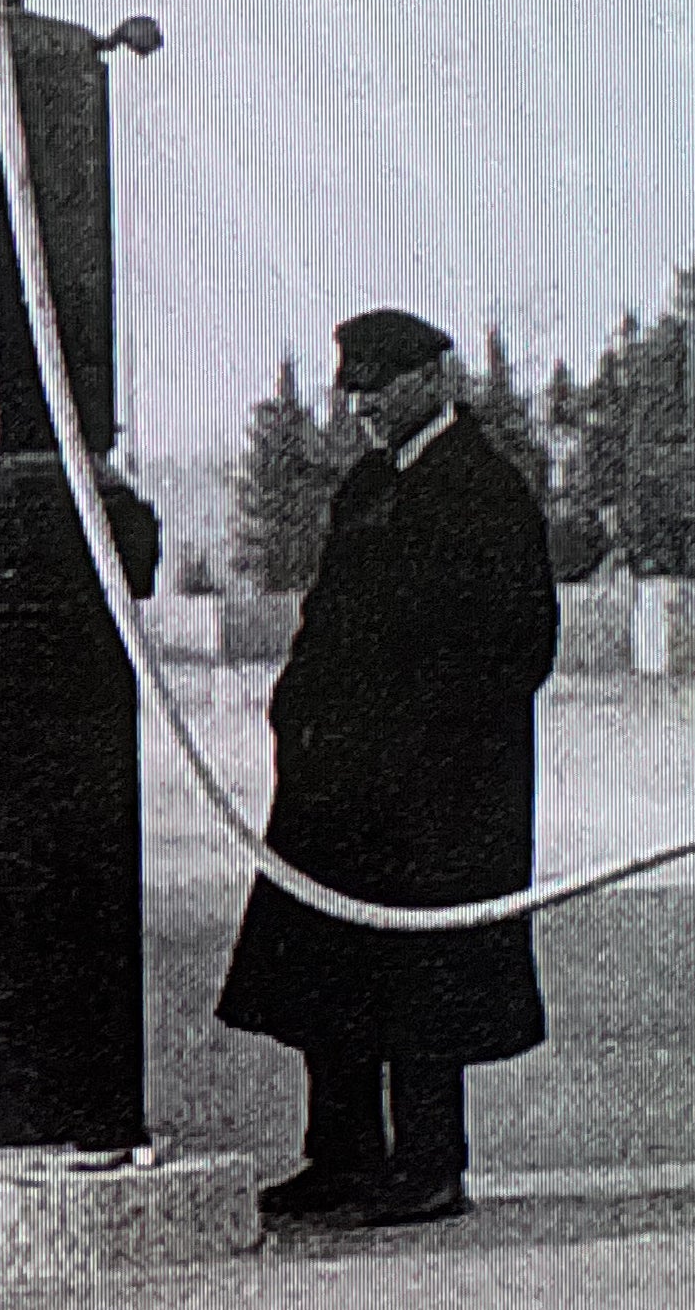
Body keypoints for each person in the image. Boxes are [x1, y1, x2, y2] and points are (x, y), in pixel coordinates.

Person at [216, 307, 561, 1229]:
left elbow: (521, 644)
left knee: (426, 979)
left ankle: (428, 1165)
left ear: (434, 379)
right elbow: (328, 617)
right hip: (341, 780)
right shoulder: (365, 485)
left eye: (378, 384)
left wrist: (426, 736)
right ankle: (341, 1156)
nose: (361, 404)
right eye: (353, 387)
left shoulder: (487, 492)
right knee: (331, 962)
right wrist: (299, 707)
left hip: (440, 791)